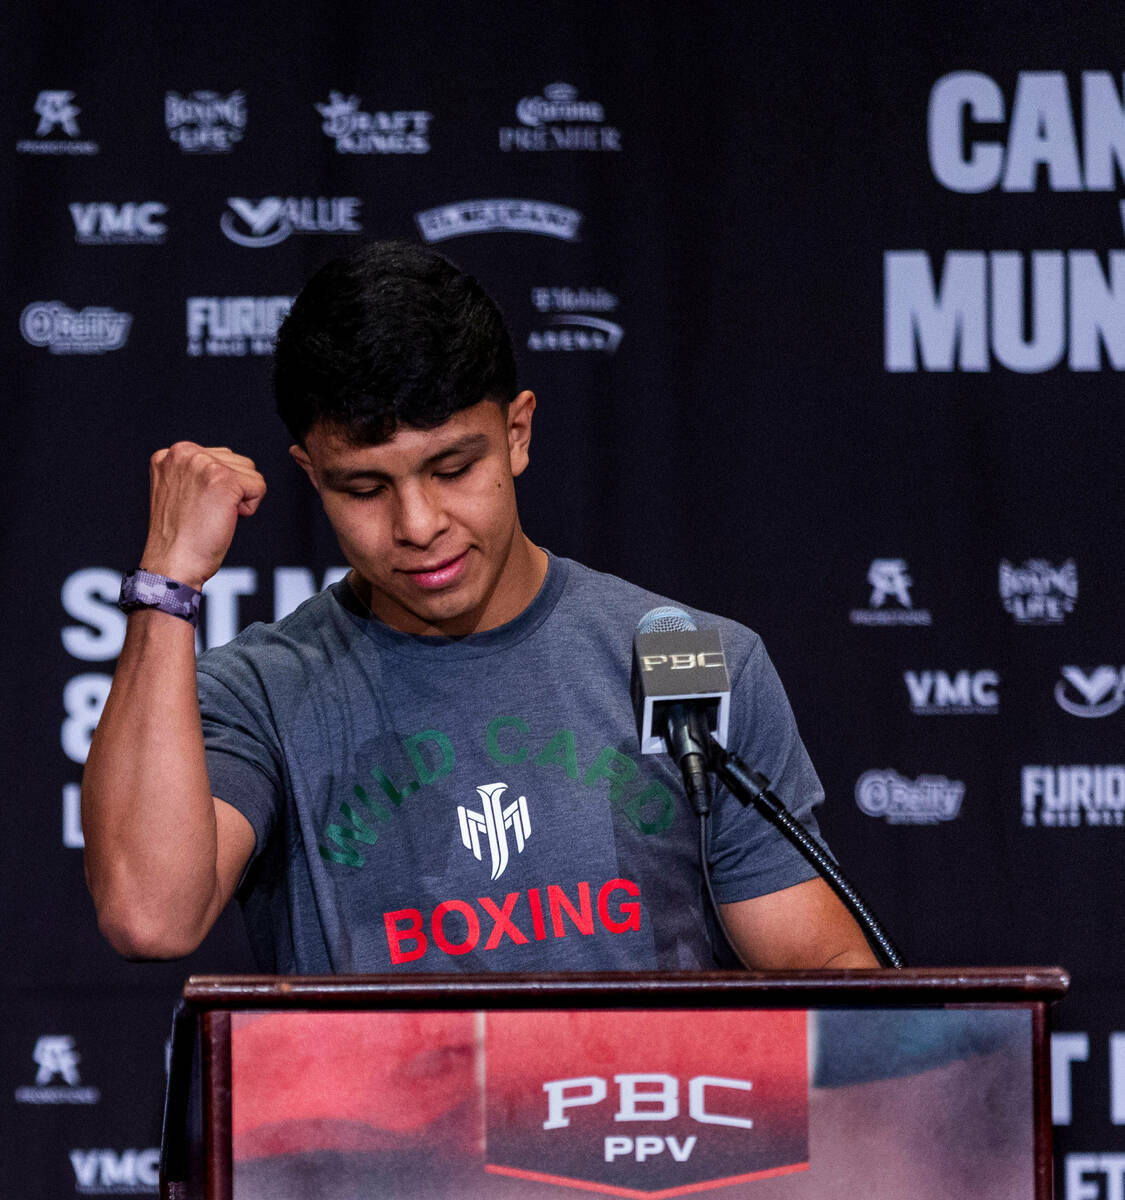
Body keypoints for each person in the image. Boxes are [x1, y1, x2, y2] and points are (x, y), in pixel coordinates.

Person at [82, 240, 878, 973]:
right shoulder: (260, 692)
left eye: (453, 468)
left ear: (517, 433)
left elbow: (825, 983)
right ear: (312, 475)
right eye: (365, 488)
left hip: (640, 1127)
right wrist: (167, 583)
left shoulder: (683, 662)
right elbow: (150, 916)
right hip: (373, 1131)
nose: (418, 525)